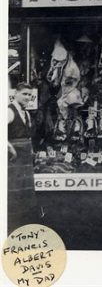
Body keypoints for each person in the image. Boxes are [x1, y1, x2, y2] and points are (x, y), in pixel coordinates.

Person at [8, 82, 39, 233]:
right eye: (24, 94)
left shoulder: (26, 113)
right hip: (13, 160)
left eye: (30, 95)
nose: (28, 97)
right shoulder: (9, 111)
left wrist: (31, 151)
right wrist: (9, 148)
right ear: (16, 94)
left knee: (25, 192)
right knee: (14, 190)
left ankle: (24, 227)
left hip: (26, 158)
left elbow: (28, 136)